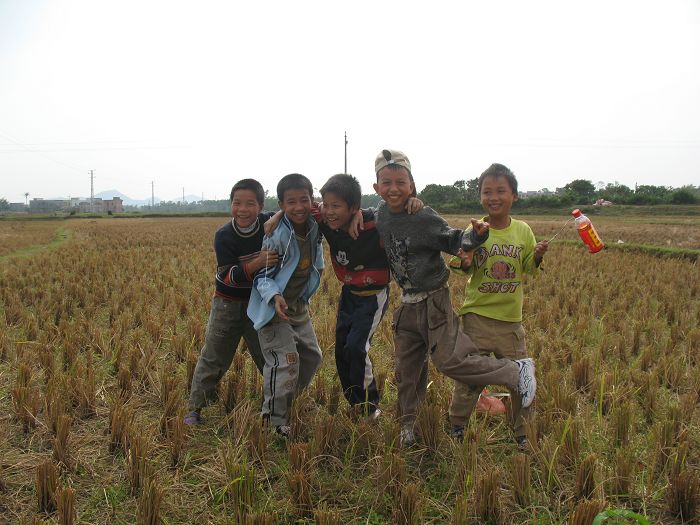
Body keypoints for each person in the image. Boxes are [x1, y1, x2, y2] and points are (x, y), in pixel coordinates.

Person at [372, 149, 536, 447]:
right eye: (387, 182)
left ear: (412, 186)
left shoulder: (422, 216)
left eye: (401, 182)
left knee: (448, 361)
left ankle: (515, 371)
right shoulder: (379, 214)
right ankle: (409, 424)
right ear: (376, 187)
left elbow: (453, 238)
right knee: (406, 371)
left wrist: (477, 236)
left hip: (434, 301)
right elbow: (350, 217)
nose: (393, 189)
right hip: (406, 303)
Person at [448, 163, 548, 449]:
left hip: (510, 320)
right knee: (470, 378)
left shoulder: (523, 231)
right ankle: (457, 425)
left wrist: (537, 256)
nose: (493, 197)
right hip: (477, 317)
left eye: (500, 191)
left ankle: (522, 432)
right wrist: (465, 261)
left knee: (521, 378)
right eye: (487, 192)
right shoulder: (475, 230)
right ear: (480, 196)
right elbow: (462, 265)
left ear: (514, 195)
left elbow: (528, 267)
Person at [185, 179, 279, 425]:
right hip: (228, 304)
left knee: (268, 356)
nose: (242, 209)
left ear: (261, 207)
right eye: (237, 203)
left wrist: (279, 215)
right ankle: (195, 408)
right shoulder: (224, 235)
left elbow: (297, 210)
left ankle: (277, 407)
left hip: (259, 304)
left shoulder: (269, 223)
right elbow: (228, 277)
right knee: (214, 356)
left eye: (250, 204)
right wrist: (257, 263)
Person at [247, 173, 324, 437]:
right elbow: (263, 277)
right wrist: (275, 296)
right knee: (286, 362)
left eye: (304, 200)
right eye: (290, 202)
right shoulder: (276, 234)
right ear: (281, 204)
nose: (298, 207)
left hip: (298, 306)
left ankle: (288, 399)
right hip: (274, 308)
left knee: (312, 356)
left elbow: (335, 209)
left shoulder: (315, 223)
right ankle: (273, 419)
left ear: (312, 200)